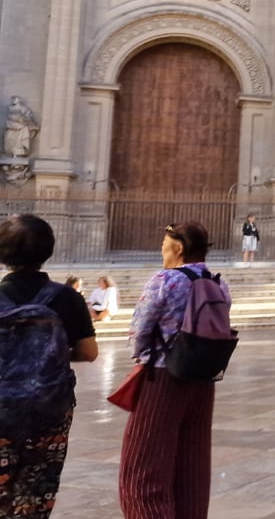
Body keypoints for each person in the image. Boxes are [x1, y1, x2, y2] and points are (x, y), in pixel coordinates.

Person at [119, 221, 221, 519]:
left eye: (164, 246)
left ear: (178, 248)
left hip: (163, 375)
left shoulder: (166, 280)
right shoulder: (217, 281)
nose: (162, 252)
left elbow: (139, 329)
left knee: (142, 470)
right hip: (203, 377)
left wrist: (142, 357)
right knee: (191, 467)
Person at [0, 214, 97, 519]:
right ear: (48, 250)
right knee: (36, 492)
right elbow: (89, 351)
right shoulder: (67, 297)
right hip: (48, 412)